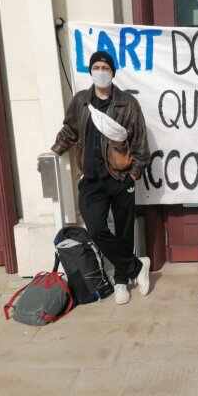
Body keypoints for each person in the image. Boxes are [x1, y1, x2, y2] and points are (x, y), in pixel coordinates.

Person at [42, 51, 151, 305]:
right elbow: (69, 129)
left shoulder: (127, 103)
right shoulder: (81, 100)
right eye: (96, 66)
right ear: (90, 71)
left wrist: (133, 174)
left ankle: (122, 281)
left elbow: (140, 143)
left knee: (123, 232)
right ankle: (137, 266)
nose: (101, 71)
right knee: (96, 229)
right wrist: (54, 151)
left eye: (105, 67)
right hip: (91, 179)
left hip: (120, 177)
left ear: (112, 71)